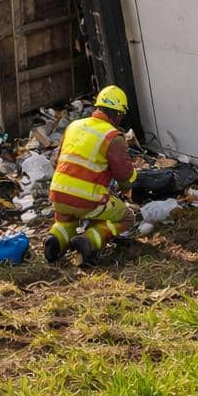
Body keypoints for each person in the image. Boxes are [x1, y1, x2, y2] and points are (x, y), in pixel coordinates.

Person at [45, 85, 139, 266]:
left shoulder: (74, 126)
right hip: (88, 201)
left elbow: (56, 160)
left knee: (67, 219)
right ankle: (89, 241)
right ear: (119, 114)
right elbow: (124, 176)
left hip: (58, 195)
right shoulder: (113, 136)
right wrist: (128, 186)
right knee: (126, 217)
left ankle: (56, 238)